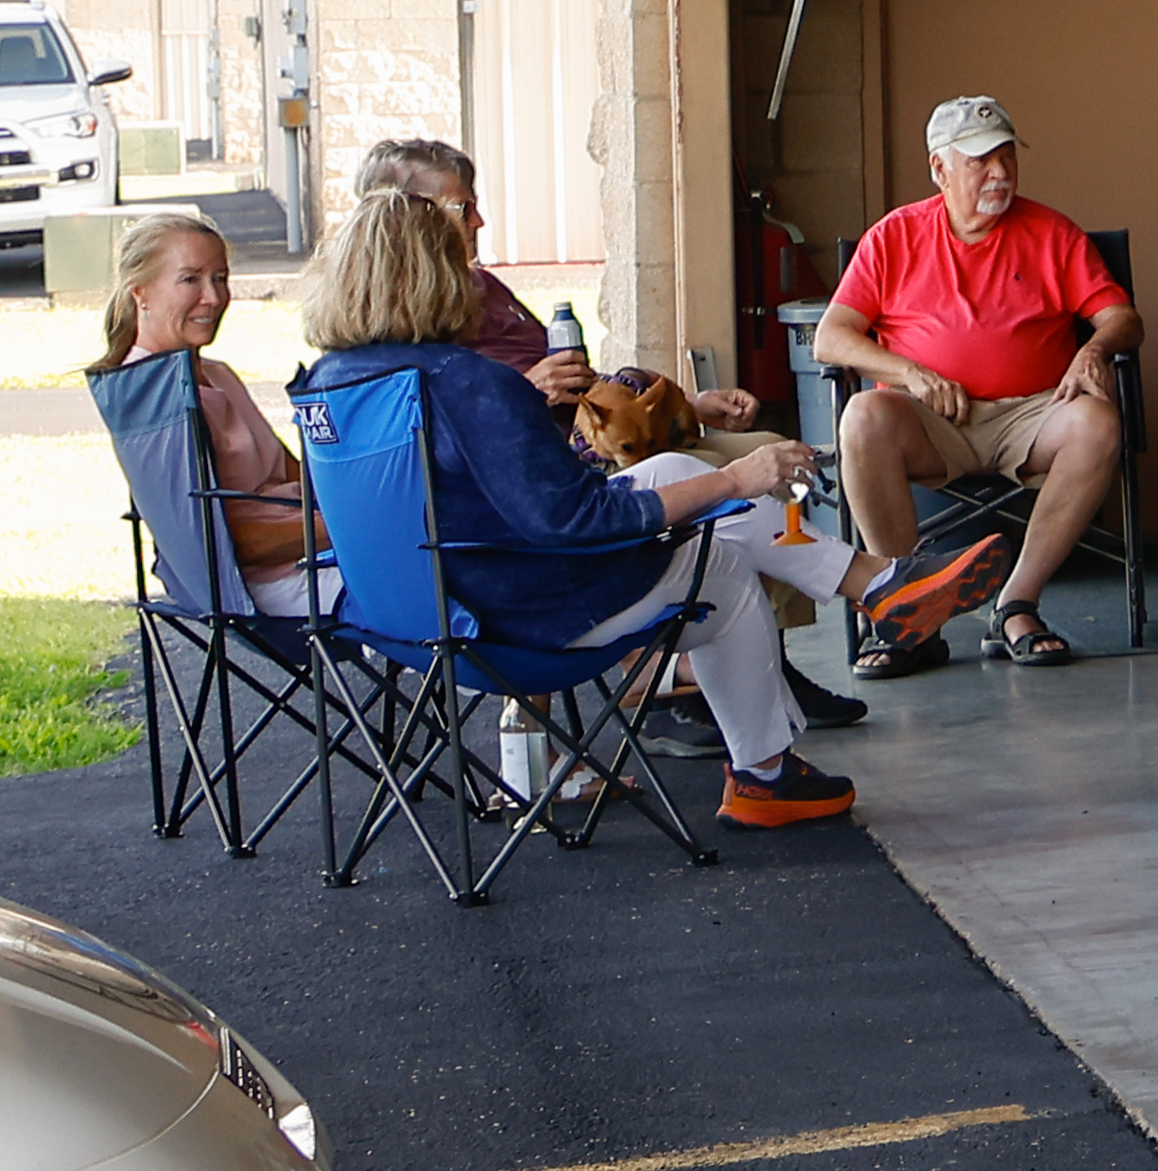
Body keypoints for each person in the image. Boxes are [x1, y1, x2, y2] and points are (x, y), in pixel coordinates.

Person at [291, 188, 854, 830]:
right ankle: (766, 776)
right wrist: (730, 482)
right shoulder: (466, 383)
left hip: (404, 618)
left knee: (669, 474)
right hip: (516, 623)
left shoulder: (326, 385)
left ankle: (871, 586)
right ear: (439, 277)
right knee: (718, 566)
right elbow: (574, 522)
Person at [820, 90, 1136, 670]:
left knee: (1097, 422)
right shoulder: (894, 236)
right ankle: (908, 609)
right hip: (932, 421)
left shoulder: (1051, 233)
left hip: (1033, 415)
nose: (999, 171)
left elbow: (1121, 318)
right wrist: (910, 373)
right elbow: (831, 337)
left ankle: (1017, 602)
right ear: (939, 167)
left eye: (1007, 155)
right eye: (979, 159)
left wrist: (1095, 349)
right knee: (862, 416)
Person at [356, 133, 761, 431]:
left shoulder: (484, 287)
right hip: (545, 482)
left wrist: (688, 402)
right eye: (464, 208)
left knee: (764, 454)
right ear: (406, 218)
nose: (478, 222)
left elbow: (578, 383)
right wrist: (525, 392)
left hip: (588, 441)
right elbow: (425, 435)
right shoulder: (391, 322)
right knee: (742, 484)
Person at [85, 206, 314, 614]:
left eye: (220, 279)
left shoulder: (215, 374)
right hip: (266, 586)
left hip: (314, 550)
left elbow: (296, 474)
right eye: (190, 279)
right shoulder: (151, 396)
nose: (213, 297)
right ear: (141, 293)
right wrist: (361, 529)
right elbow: (219, 543)